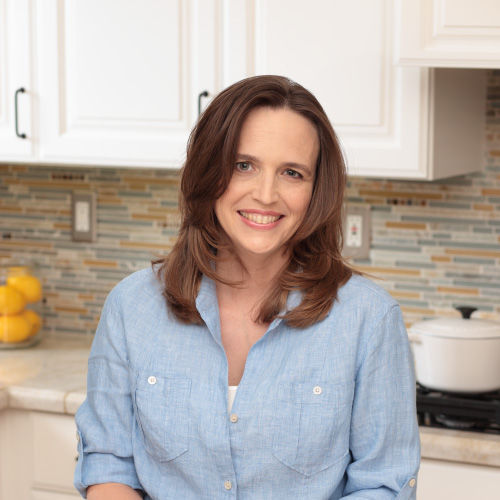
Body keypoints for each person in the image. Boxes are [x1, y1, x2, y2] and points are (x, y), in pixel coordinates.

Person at [74, 75, 420, 499]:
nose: (266, 193)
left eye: (292, 173)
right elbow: (110, 463)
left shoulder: (369, 319)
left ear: (316, 190)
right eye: (244, 165)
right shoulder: (132, 307)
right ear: (209, 171)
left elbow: (383, 484)